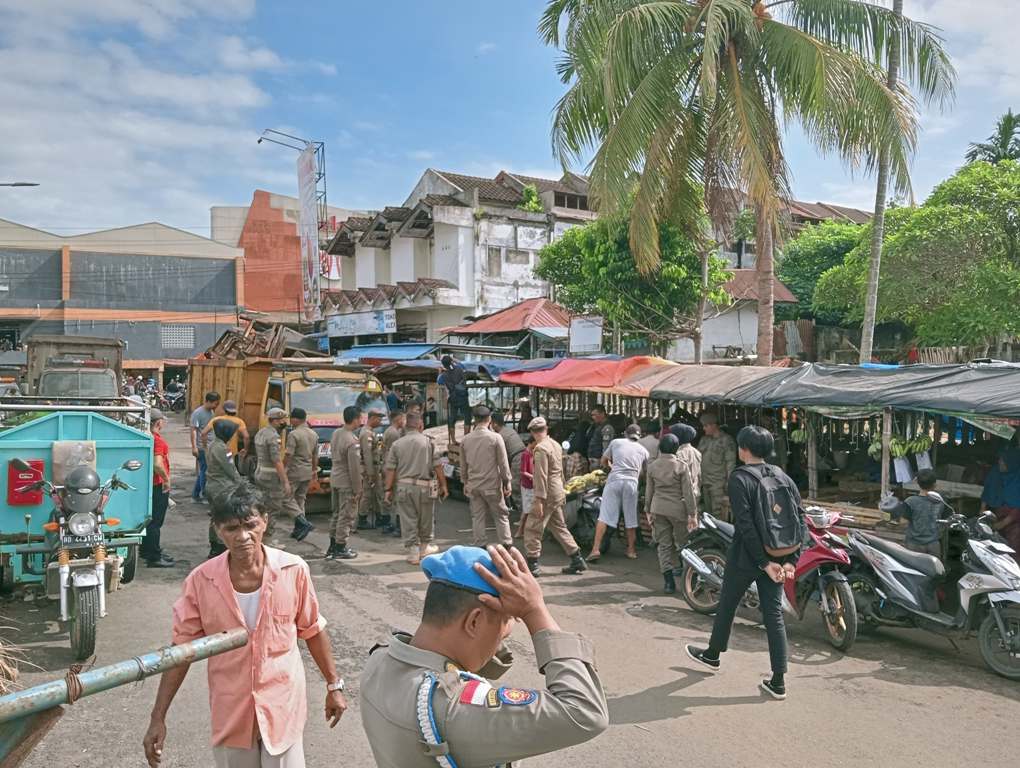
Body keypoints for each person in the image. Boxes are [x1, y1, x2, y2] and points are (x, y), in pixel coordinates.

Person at [142, 486, 348, 768]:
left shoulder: (293, 570)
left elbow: (312, 629)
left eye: (250, 526)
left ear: (264, 521)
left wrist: (334, 685)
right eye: (231, 528)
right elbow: (182, 651)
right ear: (217, 530)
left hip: (282, 706)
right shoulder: (201, 581)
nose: (243, 537)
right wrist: (158, 717)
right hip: (231, 711)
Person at [359, 545, 609, 767]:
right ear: (475, 621)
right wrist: (534, 610)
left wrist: (499, 625)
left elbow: (462, 659)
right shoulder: (451, 707)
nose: (506, 635)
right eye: (505, 624)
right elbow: (585, 712)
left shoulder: (380, 660)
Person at [686, 425, 803, 701]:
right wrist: (790, 561)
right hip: (778, 556)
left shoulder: (740, 478)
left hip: (748, 557)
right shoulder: (782, 476)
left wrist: (762, 562)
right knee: (773, 616)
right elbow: (799, 519)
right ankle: (778, 681)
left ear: (744, 449)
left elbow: (746, 526)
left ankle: (713, 654)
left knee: (727, 604)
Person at [523, 417, 587, 577]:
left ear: (532, 432)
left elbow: (540, 476)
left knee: (532, 527)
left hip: (547, 493)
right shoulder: (556, 445)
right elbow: (561, 471)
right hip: (557, 490)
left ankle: (532, 563)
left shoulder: (541, 449)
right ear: (546, 429)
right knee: (558, 526)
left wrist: (538, 500)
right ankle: (576, 558)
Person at [384, 411, 448, 564]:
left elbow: (390, 469)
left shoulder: (397, 444)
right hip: (425, 487)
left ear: (406, 426)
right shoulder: (428, 442)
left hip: (403, 488)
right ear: (420, 425)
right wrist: (444, 485)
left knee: (408, 519)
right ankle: (425, 547)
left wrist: (387, 490)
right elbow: (438, 466)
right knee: (426, 518)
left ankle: (413, 552)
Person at [645, 435, 699, 594]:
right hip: (677, 510)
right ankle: (690, 580)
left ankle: (668, 583)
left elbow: (649, 491)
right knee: (684, 544)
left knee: (664, 546)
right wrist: (692, 514)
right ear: (676, 448)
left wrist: (648, 510)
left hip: (658, 508)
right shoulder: (681, 466)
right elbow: (688, 493)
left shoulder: (653, 466)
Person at [588, 424, 649, 561]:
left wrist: (612, 467)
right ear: (639, 436)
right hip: (632, 484)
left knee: (604, 516)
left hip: (614, 480)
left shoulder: (616, 442)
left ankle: (595, 549)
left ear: (626, 434)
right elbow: (644, 474)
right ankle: (631, 551)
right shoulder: (644, 451)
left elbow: (604, 461)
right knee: (631, 518)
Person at [460, 406, 513, 548]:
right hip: (492, 486)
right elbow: (503, 463)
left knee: (477, 517)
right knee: (501, 515)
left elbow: (463, 466)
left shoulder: (465, 440)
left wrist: (465, 482)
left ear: (474, 420)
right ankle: (506, 546)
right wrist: (507, 482)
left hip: (474, 486)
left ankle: (480, 546)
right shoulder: (496, 438)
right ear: (489, 419)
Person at [327, 406, 363, 560]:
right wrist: (358, 490)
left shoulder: (337, 433)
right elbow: (354, 468)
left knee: (336, 514)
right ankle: (340, 547)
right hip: (347, 482)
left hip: (335, 479)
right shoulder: (351, 440)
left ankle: (333, 544)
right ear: (355, 419)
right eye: (360, 418)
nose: (361, 421)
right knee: (346, 515)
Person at [884, 468, 946, 556]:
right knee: (934, 569)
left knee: (913, 569)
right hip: (933, 544)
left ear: (917, 482)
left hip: (914, 545)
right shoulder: (941, 501)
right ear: (935, 484)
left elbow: (903, 521)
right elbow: (945, 521)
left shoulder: (911, 502)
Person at [205, 419, 244, 558]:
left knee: (215, 517)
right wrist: (242, 485)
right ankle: (219, 547)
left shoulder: (212, 445)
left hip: (211, 484)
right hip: (222, 487)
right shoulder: (223, 448)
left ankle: (214, 546)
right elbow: (231, 470)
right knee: (224, 517)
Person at [141, 409, 174, 569]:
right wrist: (166, 480)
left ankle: (149, 551)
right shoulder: (158, 441)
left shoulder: (146, 436)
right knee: (156, 522)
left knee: (149, 521)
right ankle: (154, 557)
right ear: (158, 422)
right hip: (158, 484)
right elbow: (157, 464)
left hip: (149, 484)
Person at [254, 408, 292, 537]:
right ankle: (268, 538)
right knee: (273, 509)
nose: (283, 422)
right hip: (271, 478)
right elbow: (276, 461)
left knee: (261, 506)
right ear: (274, 421)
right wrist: (285, 481)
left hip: (260, 473)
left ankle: (259, 535)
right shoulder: (273, 437)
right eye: (281, 420)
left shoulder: (261, 433)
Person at [282, 408, 316, 542]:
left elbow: (289, 454)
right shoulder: (313, 434)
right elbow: (315, 455)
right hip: (307, 471)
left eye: (291, 418)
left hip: (295, 471)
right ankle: (298, 529)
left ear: (296, 419)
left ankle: (303, 522)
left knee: (286, 499)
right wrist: (314, 471)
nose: (290, 421)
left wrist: (284, 469)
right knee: (300, 499)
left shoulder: (294, 434)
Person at [981, 449, 1020, 560]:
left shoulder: (1017, 480)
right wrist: (982, 509)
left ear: (1012, 463)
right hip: (997, 518)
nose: (1000, 463)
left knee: (1012, 550)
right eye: (1000, 461)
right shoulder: (996, 473)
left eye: (1003, 462)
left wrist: (1003, 523)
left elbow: (1017, 509)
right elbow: (988, 491)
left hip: (1014, 524)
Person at [699, 412, 737, 522]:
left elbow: (731, 464)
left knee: (719, 516)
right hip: (705, 483)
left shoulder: (726, 441)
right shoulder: (704, 440)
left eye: (706, 426)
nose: (704, 428)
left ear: (713, 425)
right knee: (707, 514)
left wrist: (729, 484)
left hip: (718, 485)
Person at [490, 411, 525, 517]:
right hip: (523, 456)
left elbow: (499, 456)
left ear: (495, 424)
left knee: (515, 488)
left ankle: (524, 516)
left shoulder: (500, 436)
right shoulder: (509, 430)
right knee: (522, 487)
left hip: (517, 459)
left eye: (491, 423)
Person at [190, 391, 221, 502]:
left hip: (210, 446)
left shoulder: (211, 412)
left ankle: (195, 495)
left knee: (204, 470)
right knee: (205, 471)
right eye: (215, 403)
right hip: (202, 447)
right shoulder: (198, 413)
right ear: (208, 401)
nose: (216, 406)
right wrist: (194, 447)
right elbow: (193, 431)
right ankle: (204, 494)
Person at [358, 410, 386, 530]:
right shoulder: (366, 434)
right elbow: (367, 455)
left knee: (376, 493)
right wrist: (370, 473)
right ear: (373, 418)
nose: (380, 422)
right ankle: (362, 519)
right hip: (370, 468)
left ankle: (380, 517)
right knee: (367, 494)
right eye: (379, 419)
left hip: (374, 467)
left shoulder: (370, 432)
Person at [380, 409, 406, 535]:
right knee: (395, 498)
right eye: (403, 419)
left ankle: (389, 524)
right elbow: (394, 455)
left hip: (388, 466)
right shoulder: (394, 434)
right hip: (392, 468)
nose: (404, 421)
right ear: (398, 419)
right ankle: (396, 526)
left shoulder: (391, 431)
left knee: (390, 496)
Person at [438, 354, 471, 448]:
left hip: (453, 398)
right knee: (467, 417)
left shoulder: (443, 375)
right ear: (451, 361)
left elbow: (438, 381)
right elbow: (464, 366)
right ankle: (466, 439)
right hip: (463, 396)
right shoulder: (459, 369)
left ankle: (453, 440)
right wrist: (454, 360)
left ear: (443, 365)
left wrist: (439, 372)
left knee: (452, 419)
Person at [586, 405, 615, 472]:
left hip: (599, 460)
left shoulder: (607, 428)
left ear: (602, 414)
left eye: (595, 415)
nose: (593, 417)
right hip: (593, 459)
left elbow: (606, 446)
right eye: (592, 415)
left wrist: (604, 461)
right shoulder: (596, 426)